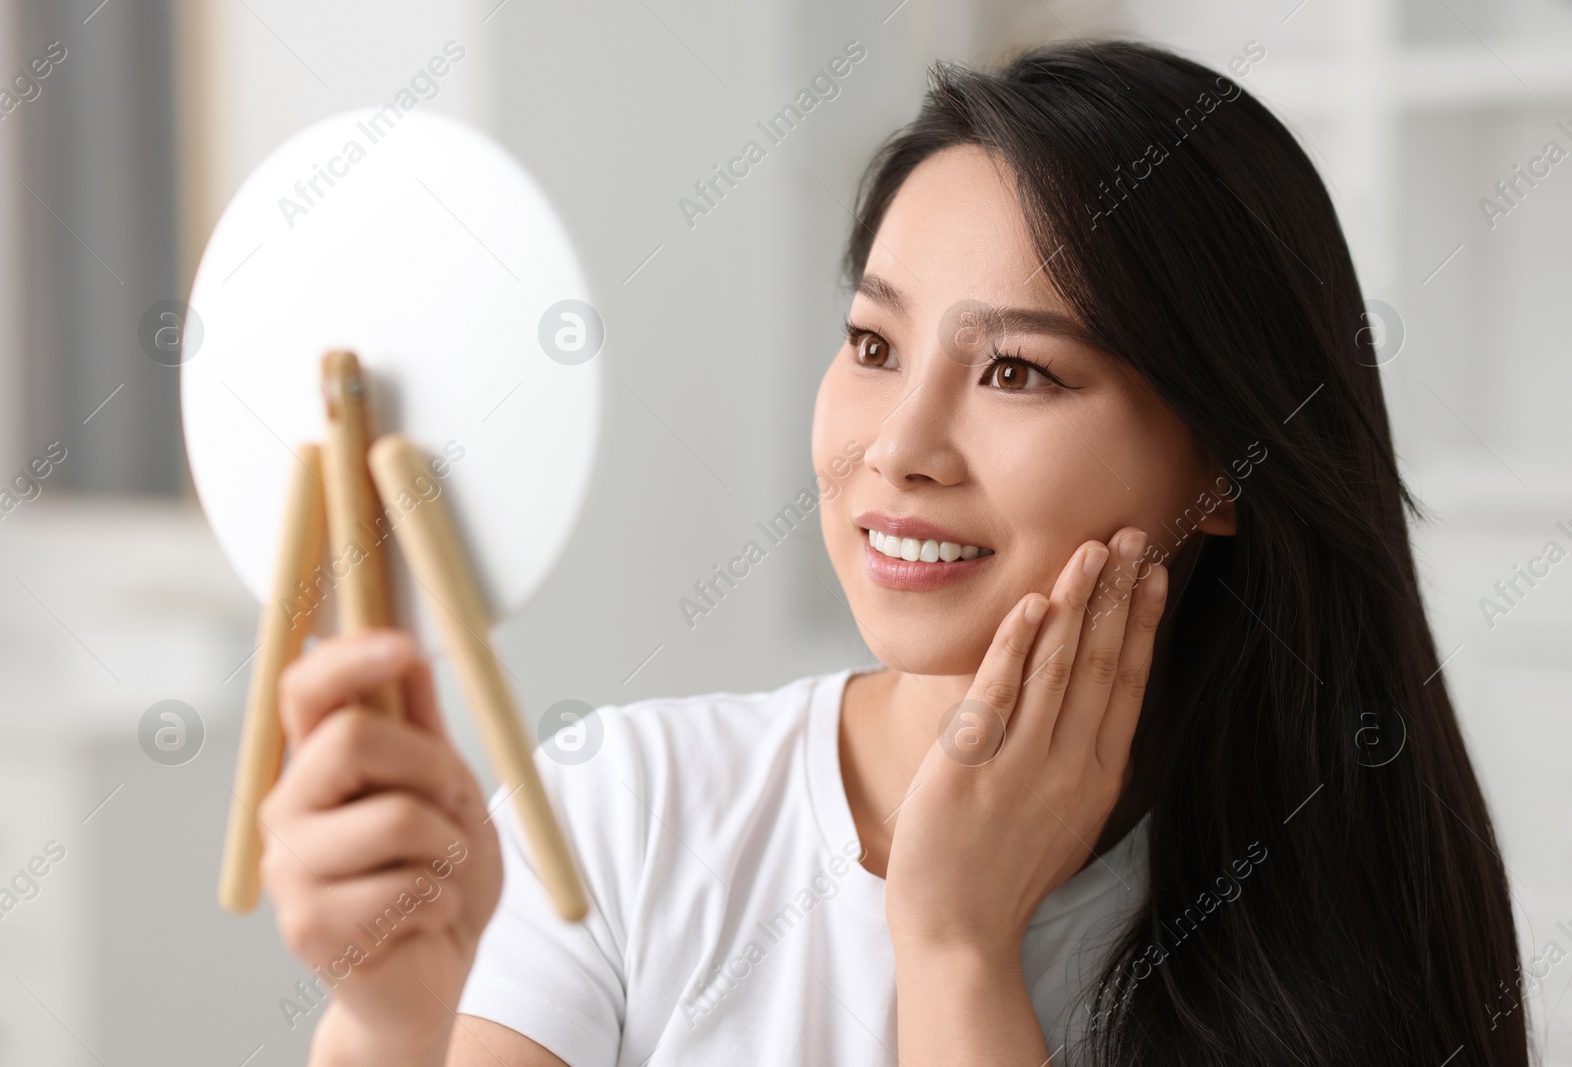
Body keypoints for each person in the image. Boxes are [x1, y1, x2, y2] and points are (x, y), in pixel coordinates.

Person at [256, 40, 1528, 1066]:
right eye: (872, 345)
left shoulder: (1331, 928)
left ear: (1221, 469)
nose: (899, 445)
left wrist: (954, 946)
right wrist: (387, 1023)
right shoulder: (625, 809)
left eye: (1016, 370)